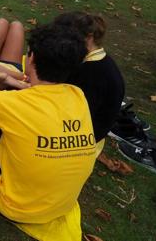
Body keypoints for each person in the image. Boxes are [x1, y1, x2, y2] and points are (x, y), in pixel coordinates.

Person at [0, 22, 95, 224]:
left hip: (13, 207)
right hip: (60, 207)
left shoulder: (15, 104)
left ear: (30, 57)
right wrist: (14, 80)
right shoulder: (77, 95)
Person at [53, 12, 124, 146]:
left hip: (80, 140)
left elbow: (74, 116)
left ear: (89, 37)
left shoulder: (92, 72)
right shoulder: (97, 60)